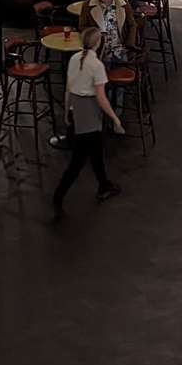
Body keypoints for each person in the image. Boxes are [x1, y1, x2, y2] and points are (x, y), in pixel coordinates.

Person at [51, 27, 124, 220]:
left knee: (96, 151)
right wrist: (116, 119)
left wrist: (67, 112)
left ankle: (104, 185)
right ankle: (57, 198)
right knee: (77, 162)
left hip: (77, 110)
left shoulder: (74, 59)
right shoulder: (96, 65)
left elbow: (68, 89)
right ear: (98, 43)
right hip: (89, 114)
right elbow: (101, 98)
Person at [85, 0, 130, 66]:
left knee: (123, 64)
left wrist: (129, 43)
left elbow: (132, 25)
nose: (106, 1)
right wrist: (95, 35)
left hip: (119, 46)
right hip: (100, 47)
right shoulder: (87, 6)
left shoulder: (123, 4)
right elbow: (82, 26)